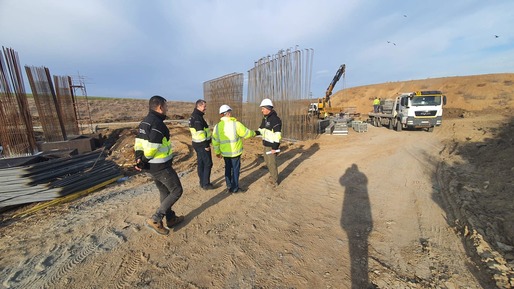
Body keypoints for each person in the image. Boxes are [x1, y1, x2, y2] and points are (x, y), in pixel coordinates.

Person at [134, 95, 184, 235]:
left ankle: (171, 218)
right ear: (160, 107)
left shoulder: (145, 122)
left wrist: (138, 159)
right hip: (161, 166)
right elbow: (152, 147)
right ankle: (156, 219)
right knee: (176, 190)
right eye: (166, 107)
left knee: (164, 192)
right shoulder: (157, 123)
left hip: (151, 167)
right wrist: (143, 160)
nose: (167, 109)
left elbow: (138, 142)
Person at [211, 104, 256, 193]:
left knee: (228, 168)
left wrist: (217, 152)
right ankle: (235, 188)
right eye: (230, 112)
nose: (231, 113)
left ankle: (229, 186)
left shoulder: (217, 126)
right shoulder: (236, 124)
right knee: (235, 170)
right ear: (227, 113)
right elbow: (247, 133)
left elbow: (215, 141)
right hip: (235, 153)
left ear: (221, 115)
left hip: (225, 153)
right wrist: (256, 133)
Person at [255, 98, 282, 188]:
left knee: (271, 163)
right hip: (266, 145)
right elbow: (261, 130)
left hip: (271, 146)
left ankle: (275, 181)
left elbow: (278, 135)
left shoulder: (275, 120)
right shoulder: (265, 119)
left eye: (263, 108)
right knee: (267, 161)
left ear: (268, 108)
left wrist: (275, 148)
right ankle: (272, 175)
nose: (262, 110)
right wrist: (252, 133)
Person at [188, 99, 214, 190]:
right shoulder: (197, 118)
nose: (205, 108)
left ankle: (202, 182)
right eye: (204, 106)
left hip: (197, 144)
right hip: (201, 144)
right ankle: (206, 184)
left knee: (201, 163)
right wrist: (206, 145)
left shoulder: (195, 116)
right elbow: (200, 133)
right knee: (208, 163)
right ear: (198, 106)